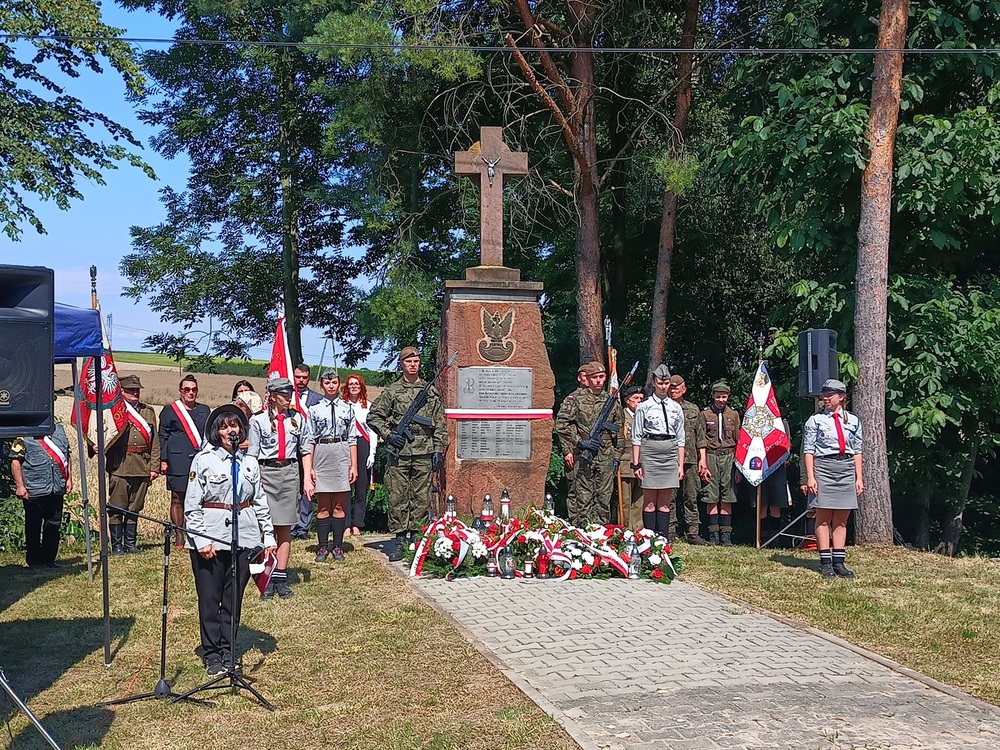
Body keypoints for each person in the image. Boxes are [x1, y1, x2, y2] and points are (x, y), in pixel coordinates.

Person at [185, 404, 276, 675]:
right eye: (224, 426)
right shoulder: (203, 460)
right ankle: (212, 652)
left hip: (244, 536)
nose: (230, 430)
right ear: (216, 432)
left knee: (233, 597)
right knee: (210, 599)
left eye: (234, 425)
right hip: (211, 536)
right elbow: (192, 504)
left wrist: (268, 534)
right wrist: (201, 540)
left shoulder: (249, 462)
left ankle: (229, 650)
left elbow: (259, 500)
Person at [368, 347, 448, 562]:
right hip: (400, 451)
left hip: (424, 450)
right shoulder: (393, 391)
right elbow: (374, 417)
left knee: (421, 498)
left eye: (416, 361)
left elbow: (440, 423)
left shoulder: (430, 391)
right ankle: (399, 538)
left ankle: (416, 538)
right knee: (398, 496)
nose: (413, 364)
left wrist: (438, 449)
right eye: (408, 361)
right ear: (401, 364)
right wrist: (389, 435)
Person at [248, 377, 314, 598]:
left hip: (289, 473)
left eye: (290, 394)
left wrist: (306, 479)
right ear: (273, 396)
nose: (288, 398)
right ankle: (265, 577)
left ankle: (281, 577)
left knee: (285, 527)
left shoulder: (298, 419)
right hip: (266, 473)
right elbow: (252, 455)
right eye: (284, 395)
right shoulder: (258, 421)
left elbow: (305, 450)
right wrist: (253, 482)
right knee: (265, 528)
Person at [803, 379, 863, 578]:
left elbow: (857, 451)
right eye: (824, 395)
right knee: (823, 518)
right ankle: (825, 562)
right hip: (824, 467)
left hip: (845, 468)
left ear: (841, 397)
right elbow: (809, 450)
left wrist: (858, 478)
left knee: (841, 520)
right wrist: (811, 477)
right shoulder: (816, 420)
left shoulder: (853, 420)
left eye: (830, 395)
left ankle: (839, 561)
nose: (826, 398)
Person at [554, 360, 623, 526]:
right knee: (583, 497)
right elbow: (561, 424)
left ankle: (600, 534)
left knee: (604, 497)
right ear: (588, 379)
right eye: (595, 377)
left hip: (606, 453)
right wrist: (580, 442)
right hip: (585, 454)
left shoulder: (611, 400)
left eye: (602, 377)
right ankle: (584, 533)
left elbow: (619, 430)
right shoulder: (575, 399)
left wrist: (617, 456)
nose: (599, 380)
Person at [308, 369, 358, 562]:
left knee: (338, 505)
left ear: (339, 384)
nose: (331, 386)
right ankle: (322, 547)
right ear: (322, 385)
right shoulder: (314, 409)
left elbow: (352, 438)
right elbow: (310, 440)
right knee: (322, 506)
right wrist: (310, 467)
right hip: (322, 453)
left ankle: (337, 546)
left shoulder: (347, 408)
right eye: (327, 383)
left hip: (341, 452)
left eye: (334, 382)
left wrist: (354, 465)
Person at [106, 375, 160, 554]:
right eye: (130, 390)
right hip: (119, 465)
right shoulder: (115, 411)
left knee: (135, 507)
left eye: (137, 390)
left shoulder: (148, 412)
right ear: (121, 391)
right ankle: (116, 546)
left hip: (141, 465)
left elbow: (155, 442)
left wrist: (154, 467)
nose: (135, 393)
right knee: (116, 507)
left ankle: (130, 543)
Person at [631, 365, 685, 539]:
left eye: (666, 383)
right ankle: (649, 538)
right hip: (650, 451)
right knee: (649, 501)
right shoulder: (644, 407)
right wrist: (636, 463)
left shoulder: (676, 407)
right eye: (660, 383)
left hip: (669, 452)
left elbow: (681, 438)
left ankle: (662, 538)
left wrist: (680, 465)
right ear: (654, 383)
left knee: (664, 502)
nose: (663, 386)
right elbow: (636, 436)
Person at [159, 375, 211, 548]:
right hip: (177, 460)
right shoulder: (170, 410)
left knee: (202, 498)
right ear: (180, 391)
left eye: (194, 389)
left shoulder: (205, 410)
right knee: (177, 498)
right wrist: (163, 459)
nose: (191, 392)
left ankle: (198, 533)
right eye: (187, 389)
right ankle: (179, 535)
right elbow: (163, 436)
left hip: (201, 461)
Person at [10, 423, 72, 568]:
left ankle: (49, 559)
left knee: (53, 524)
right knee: (33, 525)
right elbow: (15, 460)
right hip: (34, 488)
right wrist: (20, 485)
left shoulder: (60, 430)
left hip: (56, 486)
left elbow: (67, 456)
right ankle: (34, 561)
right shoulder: (24, 432)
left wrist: (69, 479)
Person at [668, 374, 708, 544]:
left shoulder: (693, 409)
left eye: (677, 387)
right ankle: (669, 530)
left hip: (691, 459)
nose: (674, 390)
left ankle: (692, 532)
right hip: (669, 457)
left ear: (684, 389)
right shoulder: (663, 408)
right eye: (671, 387)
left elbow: (701, 436)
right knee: (669, 496)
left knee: (691, 496)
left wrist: (703, 459)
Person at [700, 381, 741, 545]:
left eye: (724, 397)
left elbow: (739, 440)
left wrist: (738, 467)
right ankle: (713, 534)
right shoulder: (705, 415)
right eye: (718, 396)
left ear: (728, 397)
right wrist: (702, 462)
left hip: (729, 456)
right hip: (711, 455)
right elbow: (701, 439)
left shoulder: (733, 415)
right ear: (713, 396)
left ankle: (726, 535)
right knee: (711, 495)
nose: (721, 400)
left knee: (727, 495)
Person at [291, 363, 324, 540]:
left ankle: (303, 527)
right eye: (298, 377)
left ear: (309, 378)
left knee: (307, 487)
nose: (301, 381)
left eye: (304, 377)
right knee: (290, 488)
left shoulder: (317, 399)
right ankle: (289, 525)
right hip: (289, 449)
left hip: (310, 449)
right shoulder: (285, 398)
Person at [342, 373, 377, 537]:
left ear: (362, 386)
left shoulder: (368, 407)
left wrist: (372, 453)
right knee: (346, 487)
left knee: (361, 487)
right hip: (346, 447)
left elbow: (373, 432)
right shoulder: (342, 406)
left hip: (363, 445)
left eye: (357, 383)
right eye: (351, 384)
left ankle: (357, 524)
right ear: (347, 387)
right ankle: (345, 524)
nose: (354, 386)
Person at [618, 386, 645, 530]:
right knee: (625, 499)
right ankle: (625, 528)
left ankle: (638, 529)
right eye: (635, 398)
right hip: (626, 461)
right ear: (627, 400)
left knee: (639, 499)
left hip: (642, 461)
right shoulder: (622, 416)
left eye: (641, 399)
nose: (639, 402)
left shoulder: (645, 416)